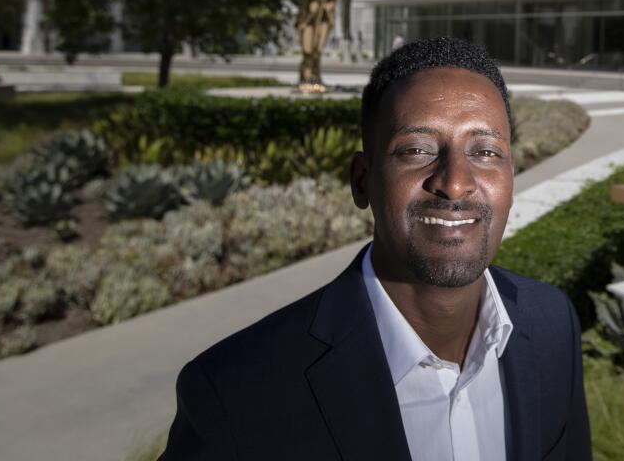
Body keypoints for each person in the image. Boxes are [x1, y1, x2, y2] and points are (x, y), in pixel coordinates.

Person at [158, 36, 591, 460]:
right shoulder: (236, 394)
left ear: (511, 177)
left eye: (485, 151)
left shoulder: (552, 323)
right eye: (417, 149)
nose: (455, 181)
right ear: (362, 180)